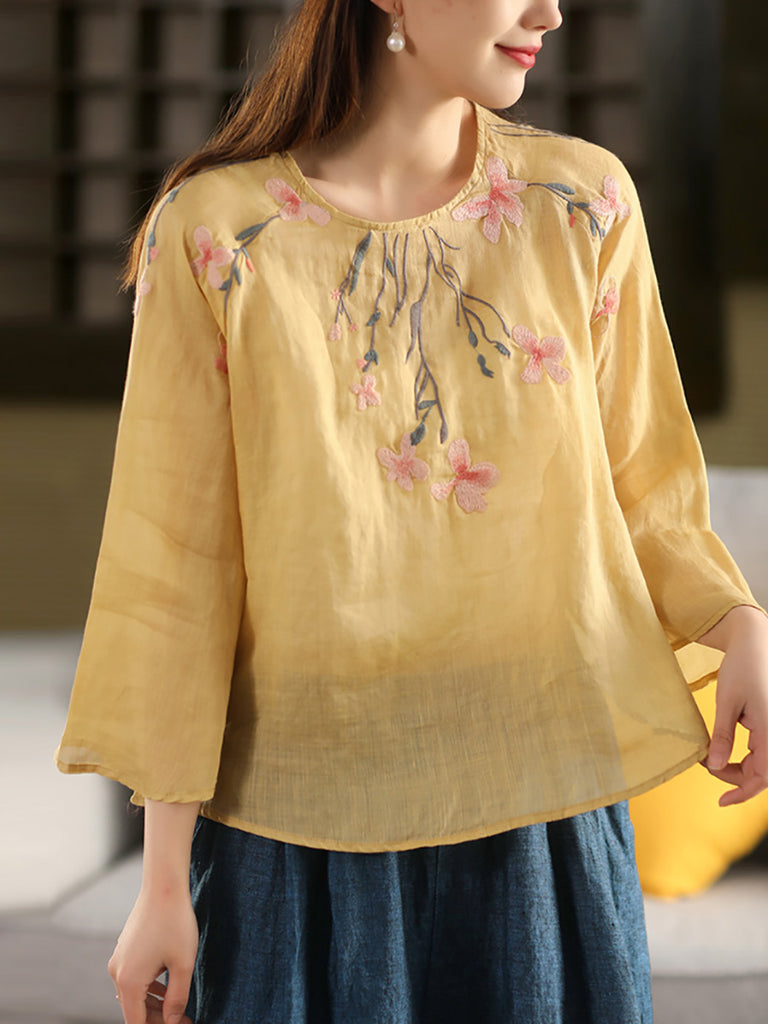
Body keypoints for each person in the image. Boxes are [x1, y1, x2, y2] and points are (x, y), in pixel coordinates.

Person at [55, 1, 768, 1022]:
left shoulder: (582, 204)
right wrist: (161, 884)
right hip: (293, 832)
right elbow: (178, 569)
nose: (548, 12)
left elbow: (648, 485)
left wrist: (739, 621)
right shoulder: (219, 234)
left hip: (545, 817)